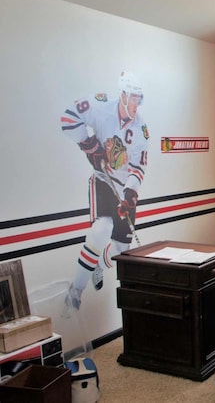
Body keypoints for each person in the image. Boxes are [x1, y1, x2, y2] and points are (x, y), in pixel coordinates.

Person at [60, 71, 149, 311]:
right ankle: (75, 292)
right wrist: (88, 144)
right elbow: (68, 119)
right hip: (101, 180)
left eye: (139, 99)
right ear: (122, 95)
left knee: (121, 250)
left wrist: (131, 193)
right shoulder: (100, 106)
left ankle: (97, 262)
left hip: (123, 188)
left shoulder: (141, 129)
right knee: (101, 229)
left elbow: (139, 165)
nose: (135, 104)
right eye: (132, 97)